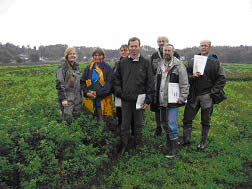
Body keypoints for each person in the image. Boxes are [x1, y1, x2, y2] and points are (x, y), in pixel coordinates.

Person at [182, 40, 226, 150]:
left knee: (205, 120)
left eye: (205, 46)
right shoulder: (192, 61)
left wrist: (213, 93)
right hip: (193, 95)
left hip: (207, 95)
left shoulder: (215, 62)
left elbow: (221, 79)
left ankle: (203, 142)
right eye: (201, 46)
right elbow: (185, 75)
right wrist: (192, 76)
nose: (203, 48)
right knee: (187, 118)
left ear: (209, 47)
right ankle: (186, 140)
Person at [113, 37, 155, 155]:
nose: (133, 48)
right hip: (125, 100)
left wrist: (148, 99)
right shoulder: (122, 62)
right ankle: (124, 146)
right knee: (125, 125)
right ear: (128, 47)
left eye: (136, 46)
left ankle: (138, 146)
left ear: (139, 47)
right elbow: (116, 80)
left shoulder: (146, 62)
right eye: (131, 46)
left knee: (139, 125)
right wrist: (120, 93)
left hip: (140, 100)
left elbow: (150, 82)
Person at [154, 44, 189, 158]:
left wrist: (183, 97)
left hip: (173, 101)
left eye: (169, 51)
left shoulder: (179, 66)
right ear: (163, 52)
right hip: (161, 100)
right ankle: (169, 144)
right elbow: (156, 82)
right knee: (164, 123)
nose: (167, 53)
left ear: (173, 52)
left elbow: (184, 83)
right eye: (165, 51)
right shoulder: (160, 64)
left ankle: (173, 149)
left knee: (172, 124)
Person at [150, 36, 180, 136]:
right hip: (156, 85)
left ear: (167, 42)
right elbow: (151, 70)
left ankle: (169, 130)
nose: (161, 43)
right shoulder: (154, 55)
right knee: (156, 107)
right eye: (159, 41)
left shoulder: (175, 54)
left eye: (163, 41)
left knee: (168, 107)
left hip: (170, 86)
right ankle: (158, 127)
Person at [81, 47, 113, 121]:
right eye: (95, 55)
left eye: (100, 55)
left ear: (103, 56)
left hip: (103, 99)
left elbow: (110, 84)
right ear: (93, 57)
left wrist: (97, 93)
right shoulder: (89, 68)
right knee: (90, 120)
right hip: (90, 98)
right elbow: (82, 82)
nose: (97, 57)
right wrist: (87, 93)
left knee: (102, 121)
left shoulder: (107, 68)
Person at [56, 47, 83, 125]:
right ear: (66, 56)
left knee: (76, 119)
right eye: (70, 54)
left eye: (74, 54)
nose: (72, 55)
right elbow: (59, 84)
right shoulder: (62, 68)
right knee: (67, 120)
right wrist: (63, 99)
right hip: (68, 99)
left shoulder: (77, 67)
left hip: (77, 98)